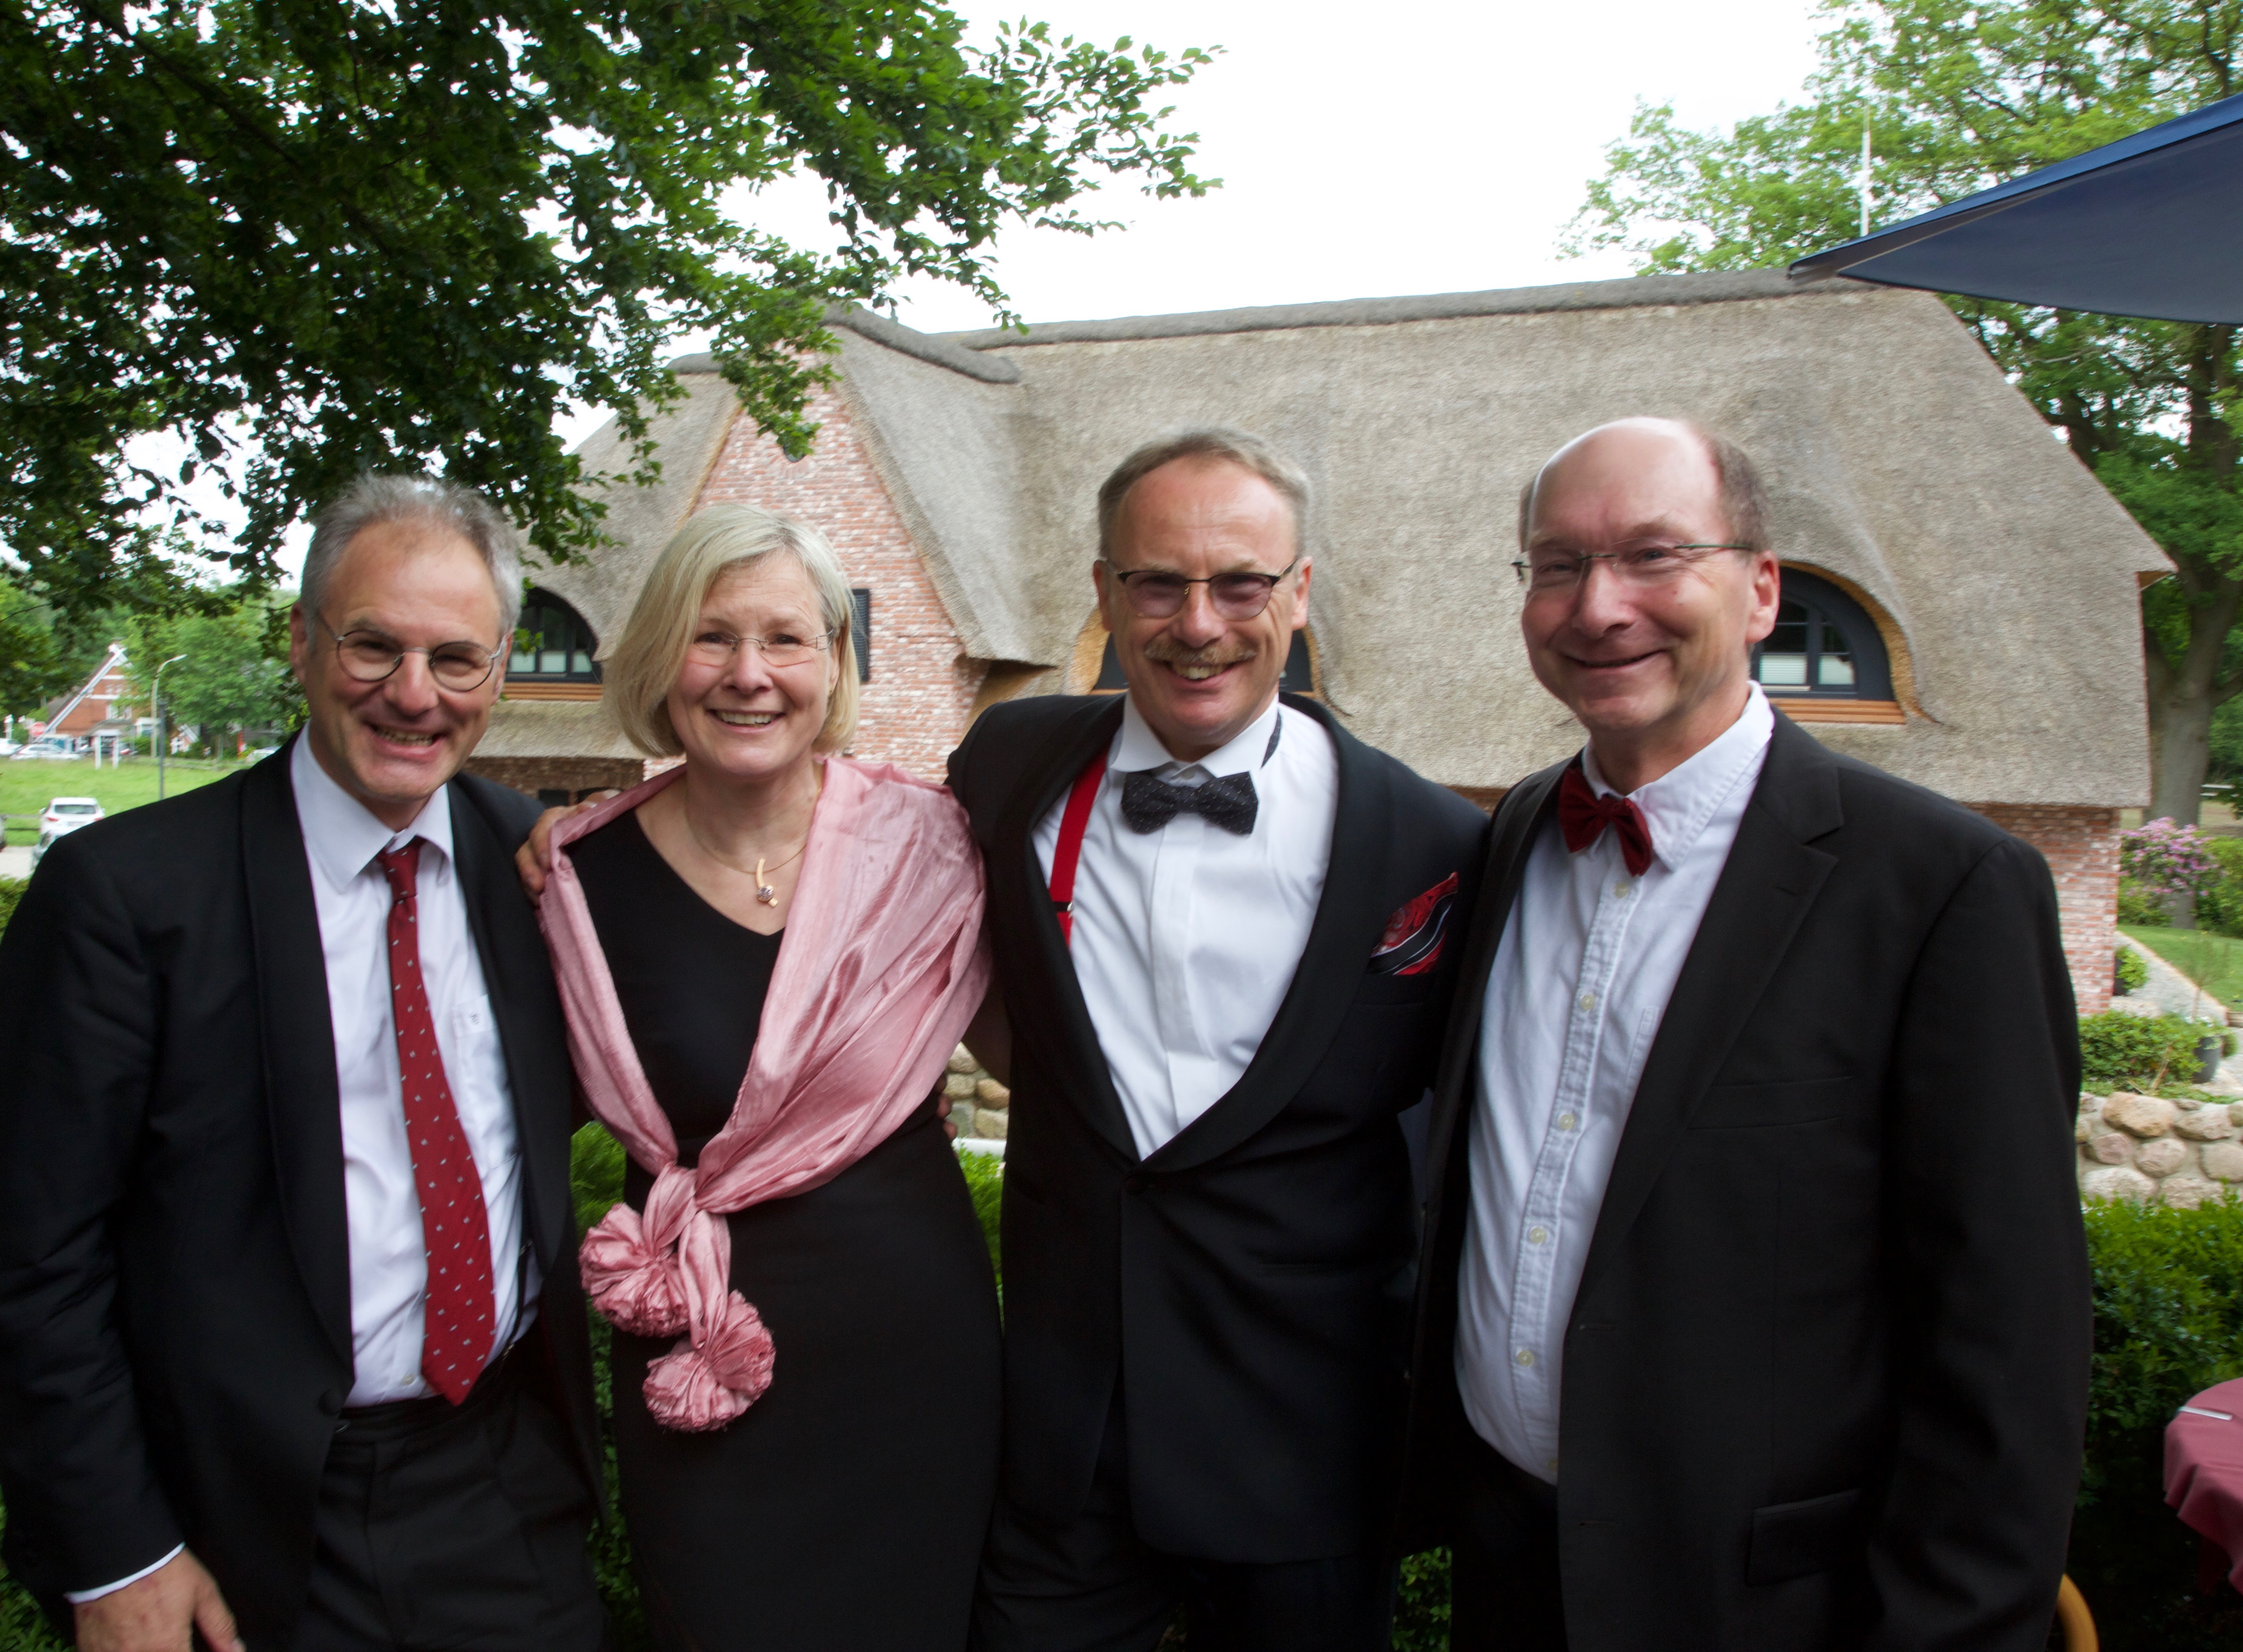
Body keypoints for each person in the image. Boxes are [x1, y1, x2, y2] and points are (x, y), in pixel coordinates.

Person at [1404, 418, 2090, 1651]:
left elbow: (2008, 1337)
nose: (1599, 606)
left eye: (1654, 555)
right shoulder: (1512, 838)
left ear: (1763, 588)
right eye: (1558, 565)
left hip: (1768, 1603)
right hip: (1507, 1565)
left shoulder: (1944, 887)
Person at [0, 477, 607, 1652]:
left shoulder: (539, 868)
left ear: (500, 670)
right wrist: (116, 1553)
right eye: (374, 645)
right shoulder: (125, 897)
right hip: (243, 1521)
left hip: (502, 1486)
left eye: (455, 659)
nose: (413, 694)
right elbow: (34, 1257)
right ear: (303, 642)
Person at [948, 429, 1489, 1651]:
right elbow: (849, 868)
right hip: (1066, 1446)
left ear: (1299, 593)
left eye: (1242, 584)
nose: (1199, 625)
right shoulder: (1004, 769)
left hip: (1305, 1447)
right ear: (1104, 591)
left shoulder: (1432, 845)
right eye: (1158, 583)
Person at [533, 502, 999, 1649]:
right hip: (703, 1364)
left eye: (787, 638)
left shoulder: (936, 846)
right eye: (712, 636)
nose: (750, 674)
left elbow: (1061, 1066)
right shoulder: (572, 879)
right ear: (661, 657)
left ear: (833, 660)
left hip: (914, 1370)